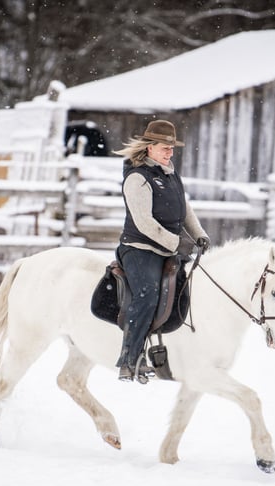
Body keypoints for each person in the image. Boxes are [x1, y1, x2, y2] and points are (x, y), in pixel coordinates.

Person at [112, 120, 210, 383]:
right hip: (140, 249)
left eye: (171, 148)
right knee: (147, 295)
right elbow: (144, 223)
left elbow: (184, 208)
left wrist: (199, 234)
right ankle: (129, 359)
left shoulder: (169, 173)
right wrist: (176, 243)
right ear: (149, 147)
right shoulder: (137, 178)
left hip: (166, 248)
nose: (170, 152)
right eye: (165, 148)